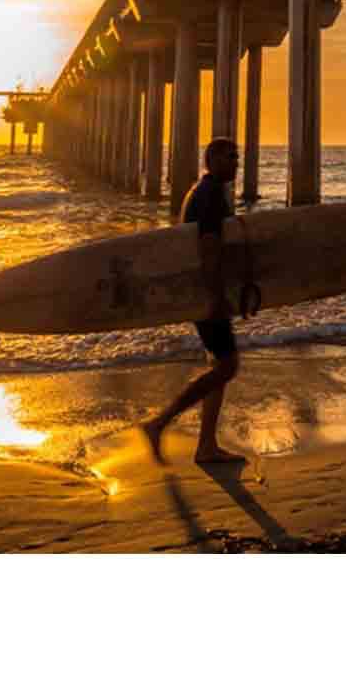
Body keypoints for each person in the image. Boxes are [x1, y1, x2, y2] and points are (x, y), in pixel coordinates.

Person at [141, 137, 255, 465]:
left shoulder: (200, 191)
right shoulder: (210, 197)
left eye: (237, 156)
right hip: (207, 294)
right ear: (213, 159)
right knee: (228, 366)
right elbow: (207, 248)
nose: (236, 162)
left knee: (219, 367)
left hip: (203, 292)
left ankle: (206, 446)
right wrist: (215, 298)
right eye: (230, 157)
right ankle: (159, 423)